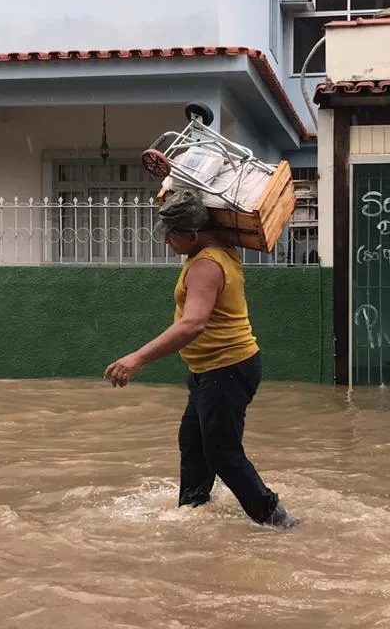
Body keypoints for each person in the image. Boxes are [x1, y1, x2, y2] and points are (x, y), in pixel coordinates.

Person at [104, 189, 297, 529]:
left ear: (193, 235)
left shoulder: (205, 265)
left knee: (222, 452)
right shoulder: (220, 247)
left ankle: (276, 519)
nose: (167, 242)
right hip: (215, 369)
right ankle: (193, 511)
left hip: (227, 368)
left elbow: (192, 323)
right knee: (193, 442)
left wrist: (136, 359)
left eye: (171, 235)